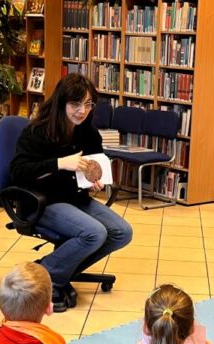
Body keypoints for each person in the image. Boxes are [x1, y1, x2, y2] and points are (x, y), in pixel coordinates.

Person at [10, 73, 133, 312]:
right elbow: (18, 171)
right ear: (61, 103)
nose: (82, 110)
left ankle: (50, 271)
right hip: (42, 200)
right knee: (94, 233)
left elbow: (93, 166)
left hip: (74, 197)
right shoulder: (37, 131)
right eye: (75, 104)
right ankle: (51, 278)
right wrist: (59, 163)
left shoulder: (89, 133)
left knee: (122, 232)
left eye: (88, 104)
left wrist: (94, 181)